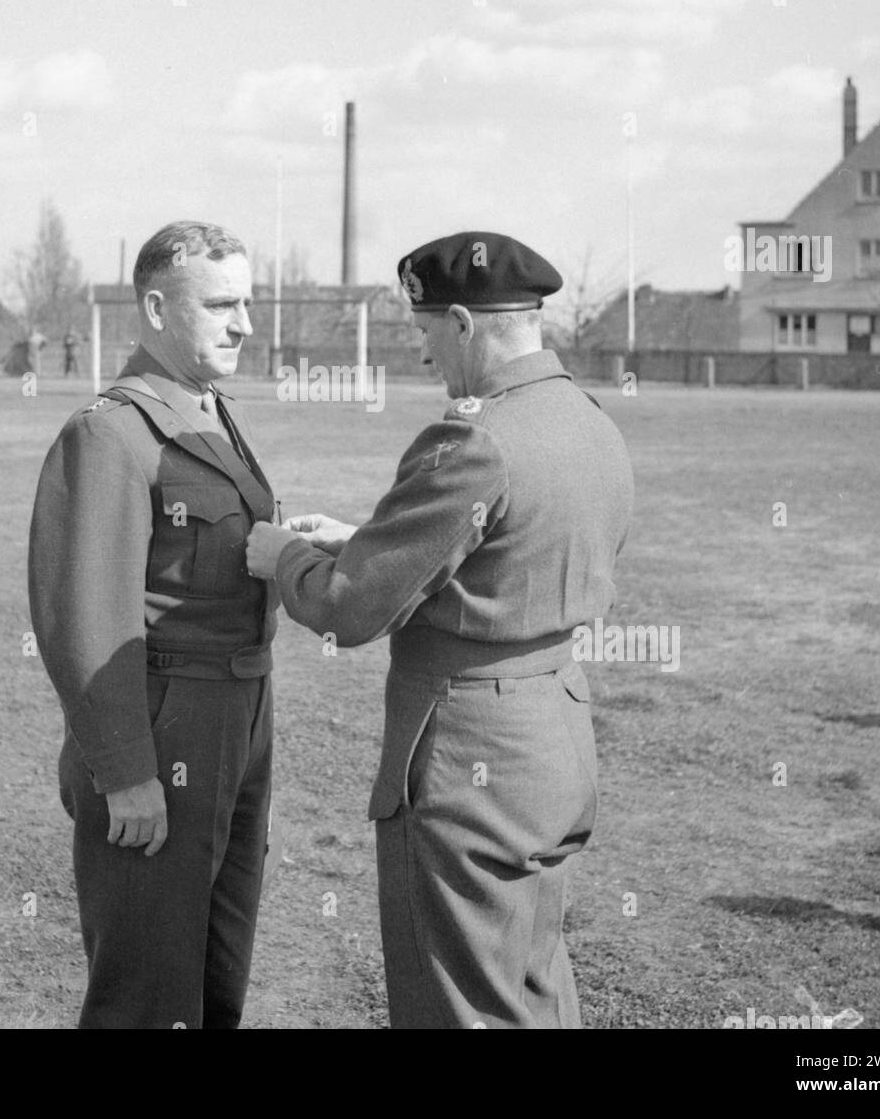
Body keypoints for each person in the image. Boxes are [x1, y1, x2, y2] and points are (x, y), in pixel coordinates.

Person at [247, 231, 634, 1029]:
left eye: (425, 331)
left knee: (458, 1003)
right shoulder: (588, 419)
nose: (424, 355)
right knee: (530, 983)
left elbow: (350, 608)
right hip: (556, 728)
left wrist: (284, 557)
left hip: (473, 750)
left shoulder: (474, 437)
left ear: (462, 321)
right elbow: (511, 555)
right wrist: (368, 538)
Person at [28, 221, 279, 1029]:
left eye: (247, 302)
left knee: (215, 975)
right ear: (158, 309)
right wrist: (125, 768)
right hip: (164, 729)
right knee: (145, 991)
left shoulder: (209, 411)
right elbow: (85, 618)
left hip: (237, 723)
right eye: (222, 304)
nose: (244, 323)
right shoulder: (110, 430)